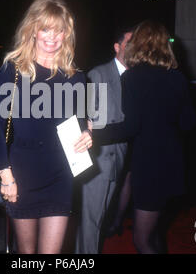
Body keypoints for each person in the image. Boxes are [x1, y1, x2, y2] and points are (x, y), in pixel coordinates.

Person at [0, 0, 92, 254]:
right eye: (46, 28)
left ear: (66, 35)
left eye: (59, 30)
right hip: (22, 174)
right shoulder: (12, 70)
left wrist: (88, 132)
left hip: (61, 175)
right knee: (27, 254)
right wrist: (6, 176)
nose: (52, 36)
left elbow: (83, 120)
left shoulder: (75, 76)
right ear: (33, 29)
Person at [91, 20, 196, 253]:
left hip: (150, 167)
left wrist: (92, 134)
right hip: (175, 165)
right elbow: (189, 123)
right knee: (156, 234)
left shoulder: (133, 77)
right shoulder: (177, 77)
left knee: (141, 240)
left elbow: (129, 128)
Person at [75, 28, 132, 254]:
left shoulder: (136, 77)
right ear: (117, 47)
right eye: (130, 43)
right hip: (99, 160)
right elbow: (85, 117)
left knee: (98, 221)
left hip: (119, 159)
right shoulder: (98, 74)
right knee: (91, 223)